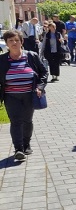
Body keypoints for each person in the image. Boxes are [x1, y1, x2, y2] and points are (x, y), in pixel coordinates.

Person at [0, 30, 48, 161]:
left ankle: (26, 144)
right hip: (11, 96)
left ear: (22, 42)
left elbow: (43, 73)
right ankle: (18, 149)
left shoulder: (31, 56)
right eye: (11, 41)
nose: (14, 43)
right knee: (15, 121)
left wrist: (40, 87)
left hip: (29, 95)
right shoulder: (2, 60)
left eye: (16, 40)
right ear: (7, 44)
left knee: (27, 121)